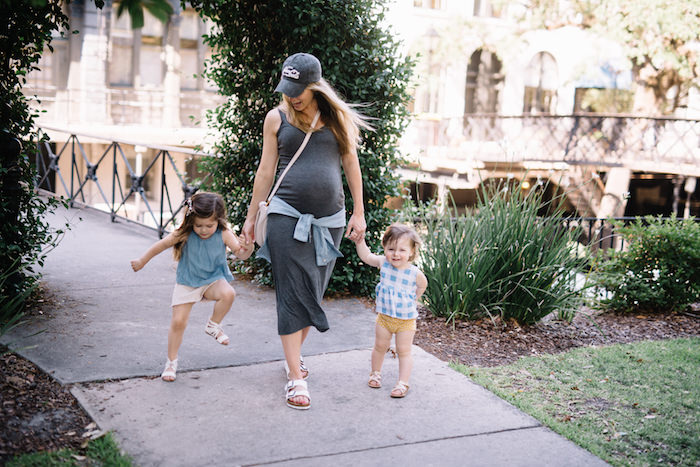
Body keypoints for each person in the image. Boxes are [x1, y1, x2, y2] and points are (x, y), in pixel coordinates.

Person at [241, 52, 370, 410]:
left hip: (330, 220)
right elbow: (266, 172)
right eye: (288, 88)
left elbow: (351, 164)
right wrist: (251, 218)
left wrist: (359, 213)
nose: (292, 95)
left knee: (312, 294)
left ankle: (292, 356)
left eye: (299, 89)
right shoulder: (276, 117)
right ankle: (296, 378)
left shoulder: (337, 119)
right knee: (291, 292)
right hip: (285, 213)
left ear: (315, 86)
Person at [131, 191, 253, 382]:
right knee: (178, 322)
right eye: (199, 225)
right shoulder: (184, 234)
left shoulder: (224, 233)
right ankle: (171, 362)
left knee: (228, 293)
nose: (204, 230)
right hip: (188, 282)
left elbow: (241, 253)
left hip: (213, 280)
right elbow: (160, 246)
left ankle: (213, 325)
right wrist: (142, 260)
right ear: (191, 221)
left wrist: (249, 247)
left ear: (218, 221)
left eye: (209, 225)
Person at [353, 223, 427, 398]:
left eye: (402, 250)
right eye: (391, 248)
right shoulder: (383, 263)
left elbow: (423, 285)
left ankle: (403, 383)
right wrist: (359, 241)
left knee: (404, 351)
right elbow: (366, 256)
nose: (396, 254)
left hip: (406, 321)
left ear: (411, 252)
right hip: (384, 318)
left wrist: (415, 298)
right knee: (380, 346)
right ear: (385, 247)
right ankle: (375, 374)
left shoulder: (414, 272)